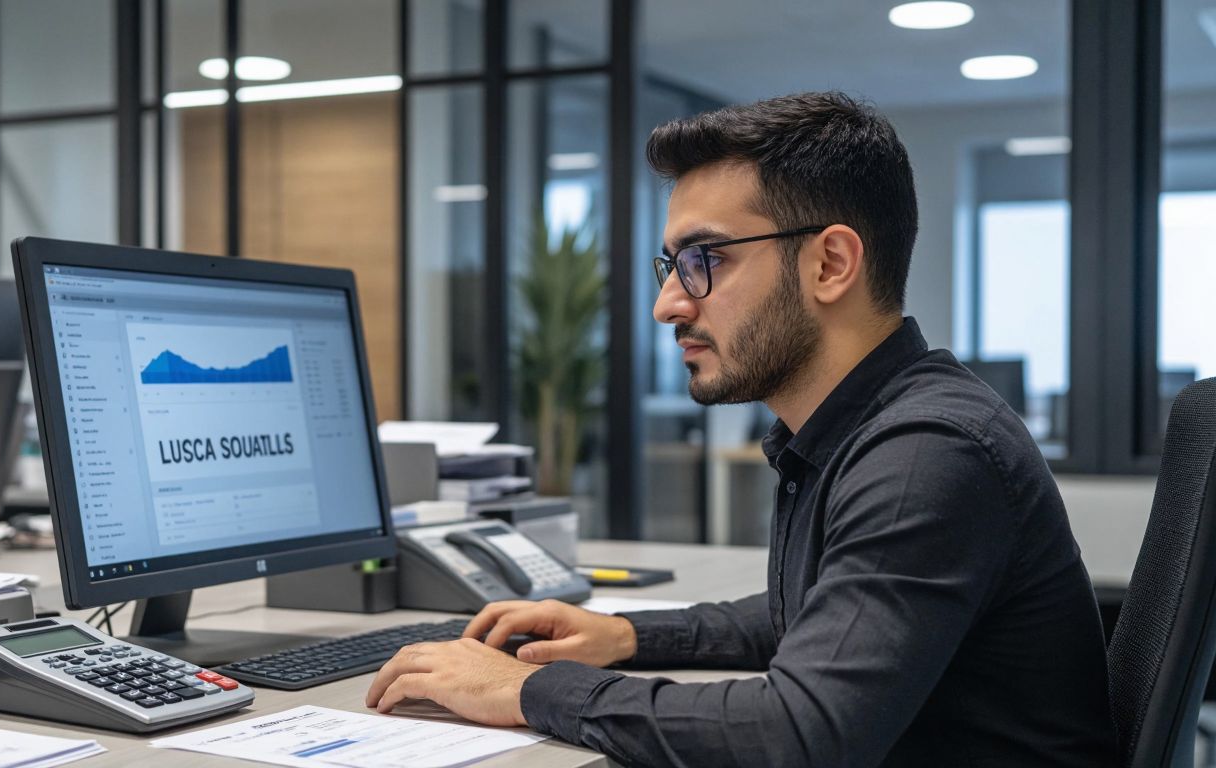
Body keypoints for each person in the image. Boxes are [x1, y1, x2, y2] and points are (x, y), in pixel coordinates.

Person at [365, 91, 1118, 767]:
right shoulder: (862, 429)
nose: (668, 303)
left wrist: (529, 689)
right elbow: (824, 612)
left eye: (705, 260)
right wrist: (628, 635)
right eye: (670, 264)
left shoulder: (927, 451)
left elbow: (795, 734)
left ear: (830, 263)